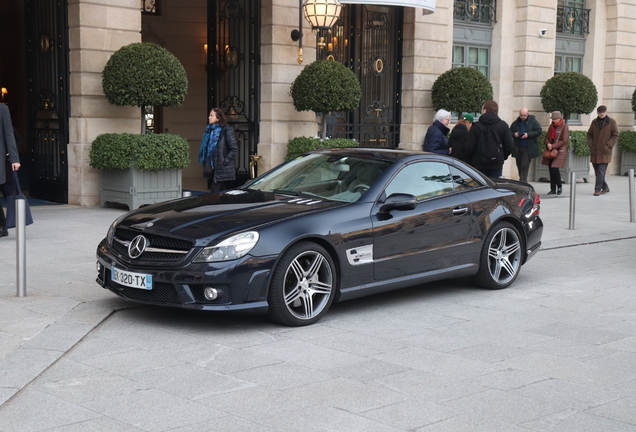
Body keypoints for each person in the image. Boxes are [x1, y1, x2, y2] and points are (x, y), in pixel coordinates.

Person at [463, 100, 513, 178]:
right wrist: (501, 157)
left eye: (482, 108)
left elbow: (469, 146)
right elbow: (509, 145)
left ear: (485, 110)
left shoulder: (476, 126)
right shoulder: (503, 125)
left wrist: (474, 158)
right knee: (495, 187)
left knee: (480, 188)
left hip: (479, 163)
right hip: (496, 163)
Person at [198, 108, 238, 192]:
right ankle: (224, 203)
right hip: (212, 165)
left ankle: (211, 204)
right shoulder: (209, 130)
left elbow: (233, 149)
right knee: (221, 189)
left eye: (212, 115)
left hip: (221, 166)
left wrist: (225, 161)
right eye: (209, 115)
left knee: (214, 189)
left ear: (218, 118)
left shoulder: (226, 130)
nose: (209, 117)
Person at [587, 105, 619, 196]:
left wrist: (608, 145)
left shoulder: (611, 122)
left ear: (606, 112)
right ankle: (605, 187)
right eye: (600, 112)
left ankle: (597, 189)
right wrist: (591, 144)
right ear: (597, 113)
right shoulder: (594, 122)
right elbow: (589, 134)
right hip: (595, 151)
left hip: (605, 151)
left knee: (601, 171)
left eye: (603, 112)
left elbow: (615, 135)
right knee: (598, 172)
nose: (602, 113)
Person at [0, 104, 20, 238]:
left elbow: (9, 134)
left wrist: (14, 158)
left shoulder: (2, 109)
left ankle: (3, 226)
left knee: (9, 193)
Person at [509, 107, 542, 183]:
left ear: (527, 114)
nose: (522, 117)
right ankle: (522, 181)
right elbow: (509, 132)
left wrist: (528, 135)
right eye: (521, 115)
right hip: (518, 147)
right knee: (519, 166)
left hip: (528, 147)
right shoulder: (515, 123)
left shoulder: (533, 122)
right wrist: (515, 134)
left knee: (524, 165)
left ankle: (523, 182)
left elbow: (539, 131)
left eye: (524, 115)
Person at [541, 111, 568, 195]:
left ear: (560, 118)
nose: (554, 121)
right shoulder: (551, 126)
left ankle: (559, 187)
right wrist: (548, 143)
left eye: (555, 119)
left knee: (555, 169)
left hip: (559, 151)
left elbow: (564, 140)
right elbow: (547, 137)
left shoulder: (564, 127)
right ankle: (552, 188)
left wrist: (553, 146)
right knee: (551, 170)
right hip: (551, 150)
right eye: (553, 119)